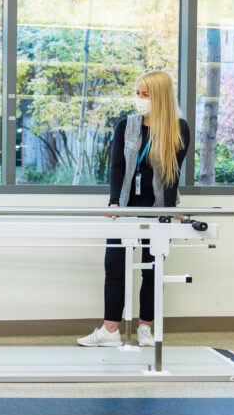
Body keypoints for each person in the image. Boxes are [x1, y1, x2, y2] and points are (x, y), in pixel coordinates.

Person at [78, 70, 190, 347]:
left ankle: (145, 328)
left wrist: (170, 208)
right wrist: (114, 202)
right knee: (114, 265)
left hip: (158, 206)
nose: (139, 100)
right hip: (127, 204)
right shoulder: (125, 126)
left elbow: (173, 175)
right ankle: (110, 331)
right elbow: (116, 168)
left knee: (153, 268)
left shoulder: (178, 129)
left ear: (161, 97)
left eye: (146, 95)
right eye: (138, 93)